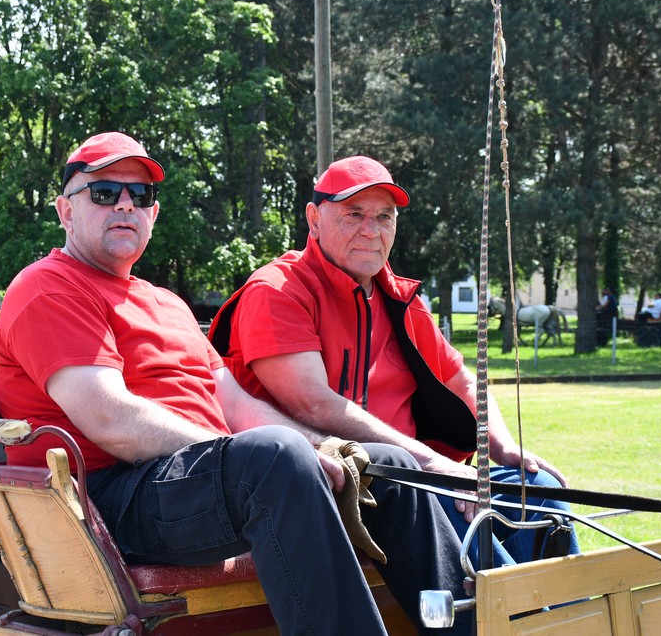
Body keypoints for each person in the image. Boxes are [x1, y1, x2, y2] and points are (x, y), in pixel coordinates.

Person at [0, 133, 471, 635]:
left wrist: (322, 447)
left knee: (388, 465)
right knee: (276, 455)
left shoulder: (167, 303)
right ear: (66, 211)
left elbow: (238, 406)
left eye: (141, 194)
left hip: (190, 480)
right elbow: (111, 421)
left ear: (154, 213)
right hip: (105, 500)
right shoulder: (48, 286)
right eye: (105, 192)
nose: (126, 205)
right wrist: (263, 453)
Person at [210, 155, 579, 569]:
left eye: (384, 216)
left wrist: (503, 446)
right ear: (314, 219)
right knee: (446, 502)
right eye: (353, 214)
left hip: (413, 476)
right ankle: (515, 604)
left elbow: (461, 380)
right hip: (330, 483)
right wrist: (433, 464)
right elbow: (311, 403)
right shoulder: (277, 290)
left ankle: (560, 603)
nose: (371, 230)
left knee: (540, 489)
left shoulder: (400, 300)